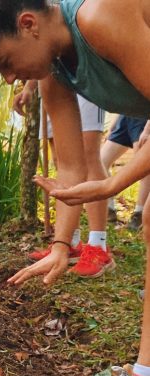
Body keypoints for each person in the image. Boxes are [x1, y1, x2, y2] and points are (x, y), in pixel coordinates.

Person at [0, 0, 150, 376]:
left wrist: (116, 182)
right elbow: (69, 168)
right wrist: (61, 245)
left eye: (5, 63)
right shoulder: (55, 72)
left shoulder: (99, 19)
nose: (10, 79)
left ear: (28, 24)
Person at [16, 81, 113, 277]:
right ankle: (71, 242)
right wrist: (30, 86)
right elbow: (39, 52)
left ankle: (98, 245)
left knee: (88, 154)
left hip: (82, 77)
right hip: (54, 80)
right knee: (62, 159)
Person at [100, 115, 150, 229]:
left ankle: (139, 215)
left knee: (144, 169)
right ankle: (109, 209)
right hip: (125, 117)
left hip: (143, 116)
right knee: (101, 161)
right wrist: (113, 125)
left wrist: (147, 129)